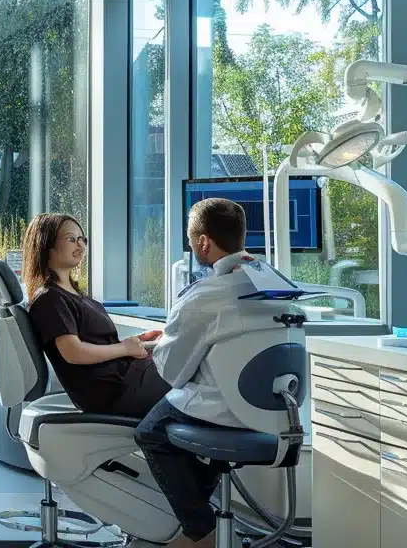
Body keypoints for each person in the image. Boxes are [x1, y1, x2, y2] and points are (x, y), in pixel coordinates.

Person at [135, 198, 269, 548]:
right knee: (189, 439)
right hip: (273, 413)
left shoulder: (204, 295)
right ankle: (204, 525)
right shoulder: (274, 283)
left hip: (222, 408)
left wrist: (163, 345)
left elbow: (172, 371)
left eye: (192, 239)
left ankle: (200, 530)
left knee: (150, 431)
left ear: (203, 242)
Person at [22, 213, 170, 418]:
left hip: (126, 379)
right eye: (71, 239)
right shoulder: (50, 299)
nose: (81, 246)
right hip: (117, 392)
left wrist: (135, 343)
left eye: (83, 240)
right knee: (191, 367)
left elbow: (97, 342)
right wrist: (125, 348)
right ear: (47, 244)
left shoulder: (72, 293)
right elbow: (74, 353)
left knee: (186, 357)